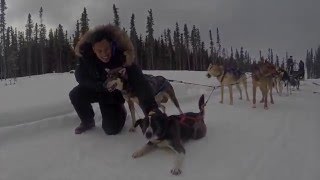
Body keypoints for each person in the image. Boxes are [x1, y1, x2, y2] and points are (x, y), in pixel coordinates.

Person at [69, 24, 158, 135]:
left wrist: (152, 109)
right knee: (75, 94)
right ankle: (87, 121)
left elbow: (140, 82)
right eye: (99, 51)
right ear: (93, 49)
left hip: (114, 94)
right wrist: (98, 85)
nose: (104, 54)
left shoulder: (122, 56)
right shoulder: (86, 56)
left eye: (106, 49)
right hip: (97, 88)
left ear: (112, 45)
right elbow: (80, 77)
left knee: (111, 130)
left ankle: (121, 112)